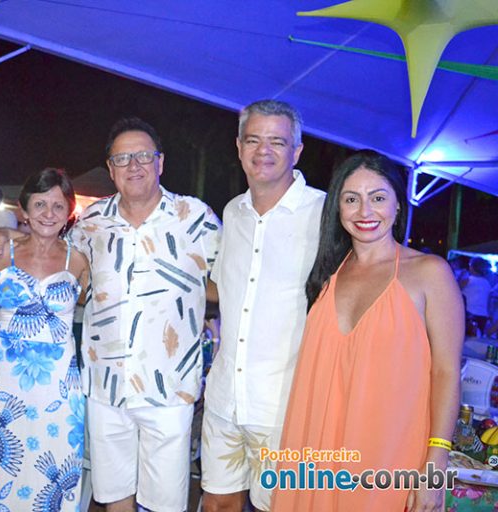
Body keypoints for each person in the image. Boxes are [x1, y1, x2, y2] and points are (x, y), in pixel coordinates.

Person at [271, 151, 463, 511]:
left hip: (389, 458)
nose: (364, 211)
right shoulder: (326, 276)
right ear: (337, 207)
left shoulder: (429, 273)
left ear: (398, 204)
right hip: (317, 453)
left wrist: (436, 460)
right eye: (351, 199)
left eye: (377, 197)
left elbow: (447, 372)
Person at [72, 118, 221, 512]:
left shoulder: (195, 217)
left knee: (166, 503)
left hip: (170, 386)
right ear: (110, 169)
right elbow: (66, 276)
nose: (133, 166)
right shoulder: (91, 222)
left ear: (160, 162)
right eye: (122, 159)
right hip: (105, 386)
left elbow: (230, 282)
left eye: (143, 156)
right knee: (114, 496)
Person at [200, 99, 324, 512]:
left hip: (284, 404)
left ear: (297, 151)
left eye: (277, 141)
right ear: (239, 147)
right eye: (253, 140)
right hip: (225, 398)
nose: (263, 150)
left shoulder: (324, 213)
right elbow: (224, 288)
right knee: (218, 502)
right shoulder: (233, 212)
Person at [0, 168, 88, 511]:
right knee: (2, 467)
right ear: (24, 209)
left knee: (50, 466)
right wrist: (8, 314)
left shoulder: (77, 261)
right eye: (40, 204)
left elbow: (88, 306)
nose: (49, 213)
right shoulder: (3, 252)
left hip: (58, 387)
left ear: (69, 212)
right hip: (6, 379)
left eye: (58, 206)